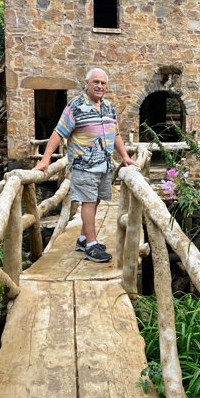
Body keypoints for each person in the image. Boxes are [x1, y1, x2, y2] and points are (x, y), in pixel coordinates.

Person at [33, 68, 138, 262]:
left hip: (105, 166)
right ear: (87, 83)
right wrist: (45, 159)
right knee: (88, 203)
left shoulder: (108, 106)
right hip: (84, 166)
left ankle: (83, 239)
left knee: (95, 201)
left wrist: (124, 156)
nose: (100, 86)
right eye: (96, 82)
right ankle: (91, 246)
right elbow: (58, 132)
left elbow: (115, 134)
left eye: (103, 83)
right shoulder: (75, 106)